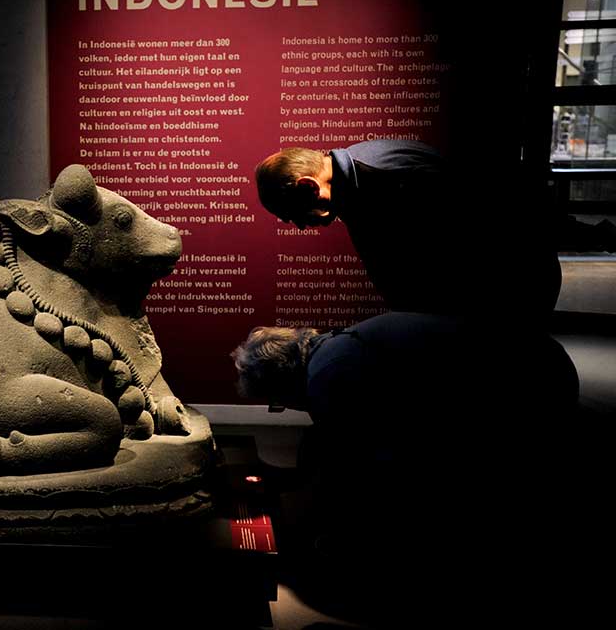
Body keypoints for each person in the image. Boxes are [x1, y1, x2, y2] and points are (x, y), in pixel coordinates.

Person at [232, 311, 581, 623]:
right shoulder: (336, 351)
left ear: (282, 379)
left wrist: (344, 541)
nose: (284, 406)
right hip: (541, 362)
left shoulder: (330, 374)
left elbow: (369, 469)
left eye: (275, 399)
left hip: (529, 388)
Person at [254, 140, 562, 323]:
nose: (302, 226)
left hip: (500, 300)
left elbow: (482, 231)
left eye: (295, 214)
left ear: (309, 185)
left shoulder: (386, 179)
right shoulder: (360, 175)